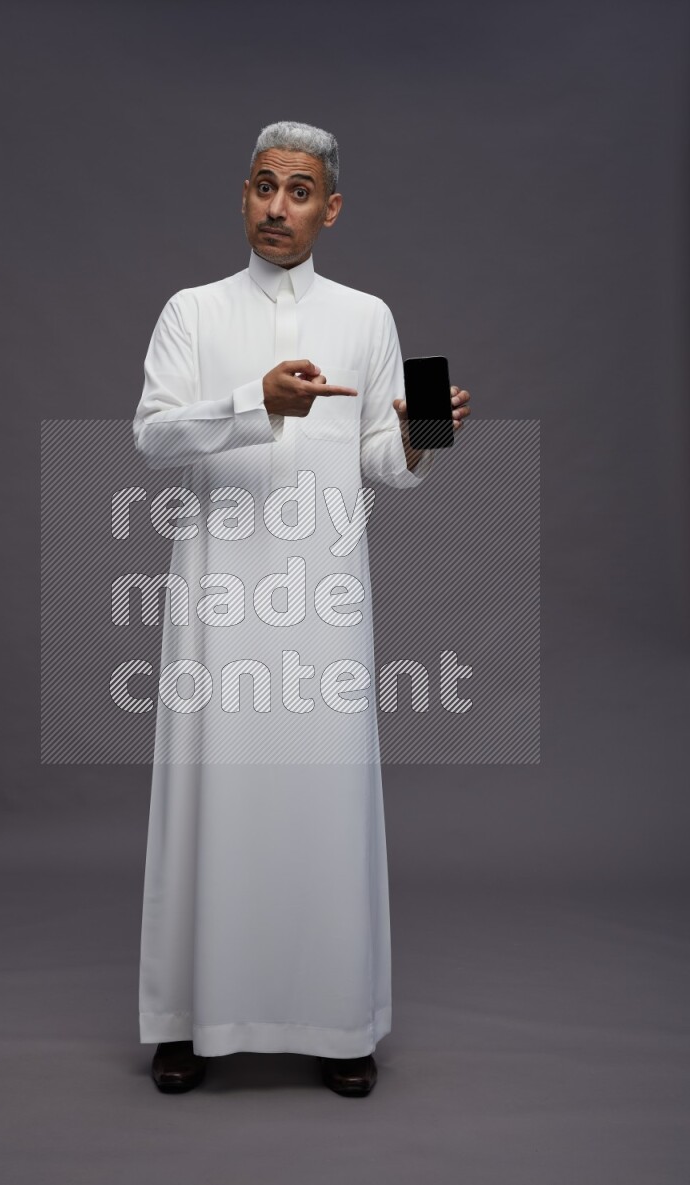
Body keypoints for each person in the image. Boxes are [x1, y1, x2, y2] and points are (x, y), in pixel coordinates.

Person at [133, 120, 470, 1097]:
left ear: (330, 207)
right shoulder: (191, 313)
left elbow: (380, 463)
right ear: (242, 193)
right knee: (209, 794)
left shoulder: (366, 317)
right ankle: (187, 1020)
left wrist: (415, 439)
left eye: (299, 191)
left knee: (322, 803)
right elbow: (153, 435)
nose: (277, 208)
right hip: (217, 591)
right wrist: (256, 401)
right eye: (262, 187)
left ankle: (336, 1025)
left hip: (321, 601)